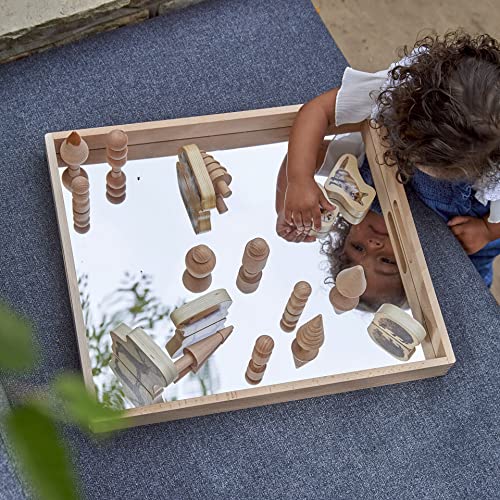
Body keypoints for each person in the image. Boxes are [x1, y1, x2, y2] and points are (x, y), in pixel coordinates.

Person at [275, 31, 500, 288]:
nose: (372, 245)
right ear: (409, 105)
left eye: (424, 161)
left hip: (479, 225)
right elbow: (318, 110)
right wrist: (297, 182)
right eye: (406, 140)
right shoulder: (404, 88)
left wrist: (487, 230)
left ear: (479, 165)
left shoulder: (494, 174)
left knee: (470, 281)